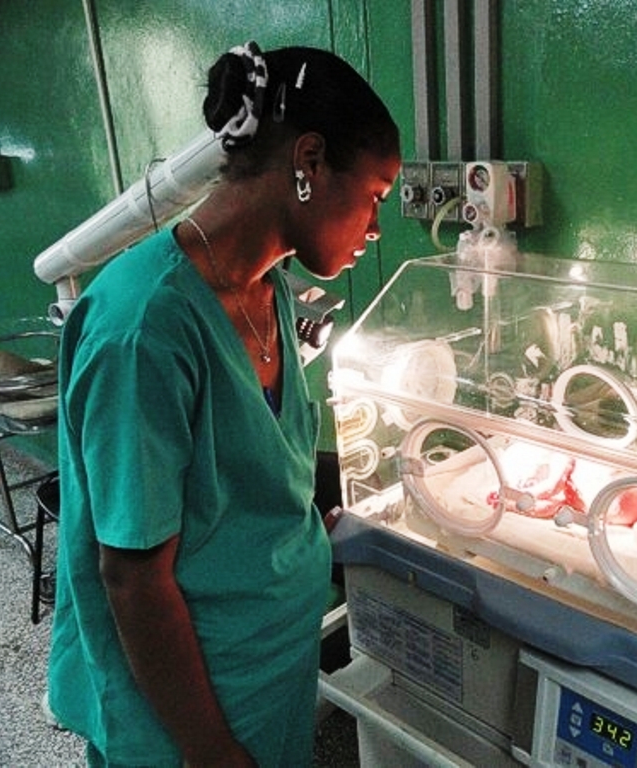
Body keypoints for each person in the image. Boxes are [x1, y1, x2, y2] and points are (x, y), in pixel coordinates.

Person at [47, 42, 401, 767]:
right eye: (373, 197)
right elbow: (133, 576)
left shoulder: (267, 291)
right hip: (185, 712)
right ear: (308, 162)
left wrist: (314, 533)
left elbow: (244, 479)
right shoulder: (144, 329)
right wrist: (211, 751)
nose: (374, 229)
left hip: (267, 666)